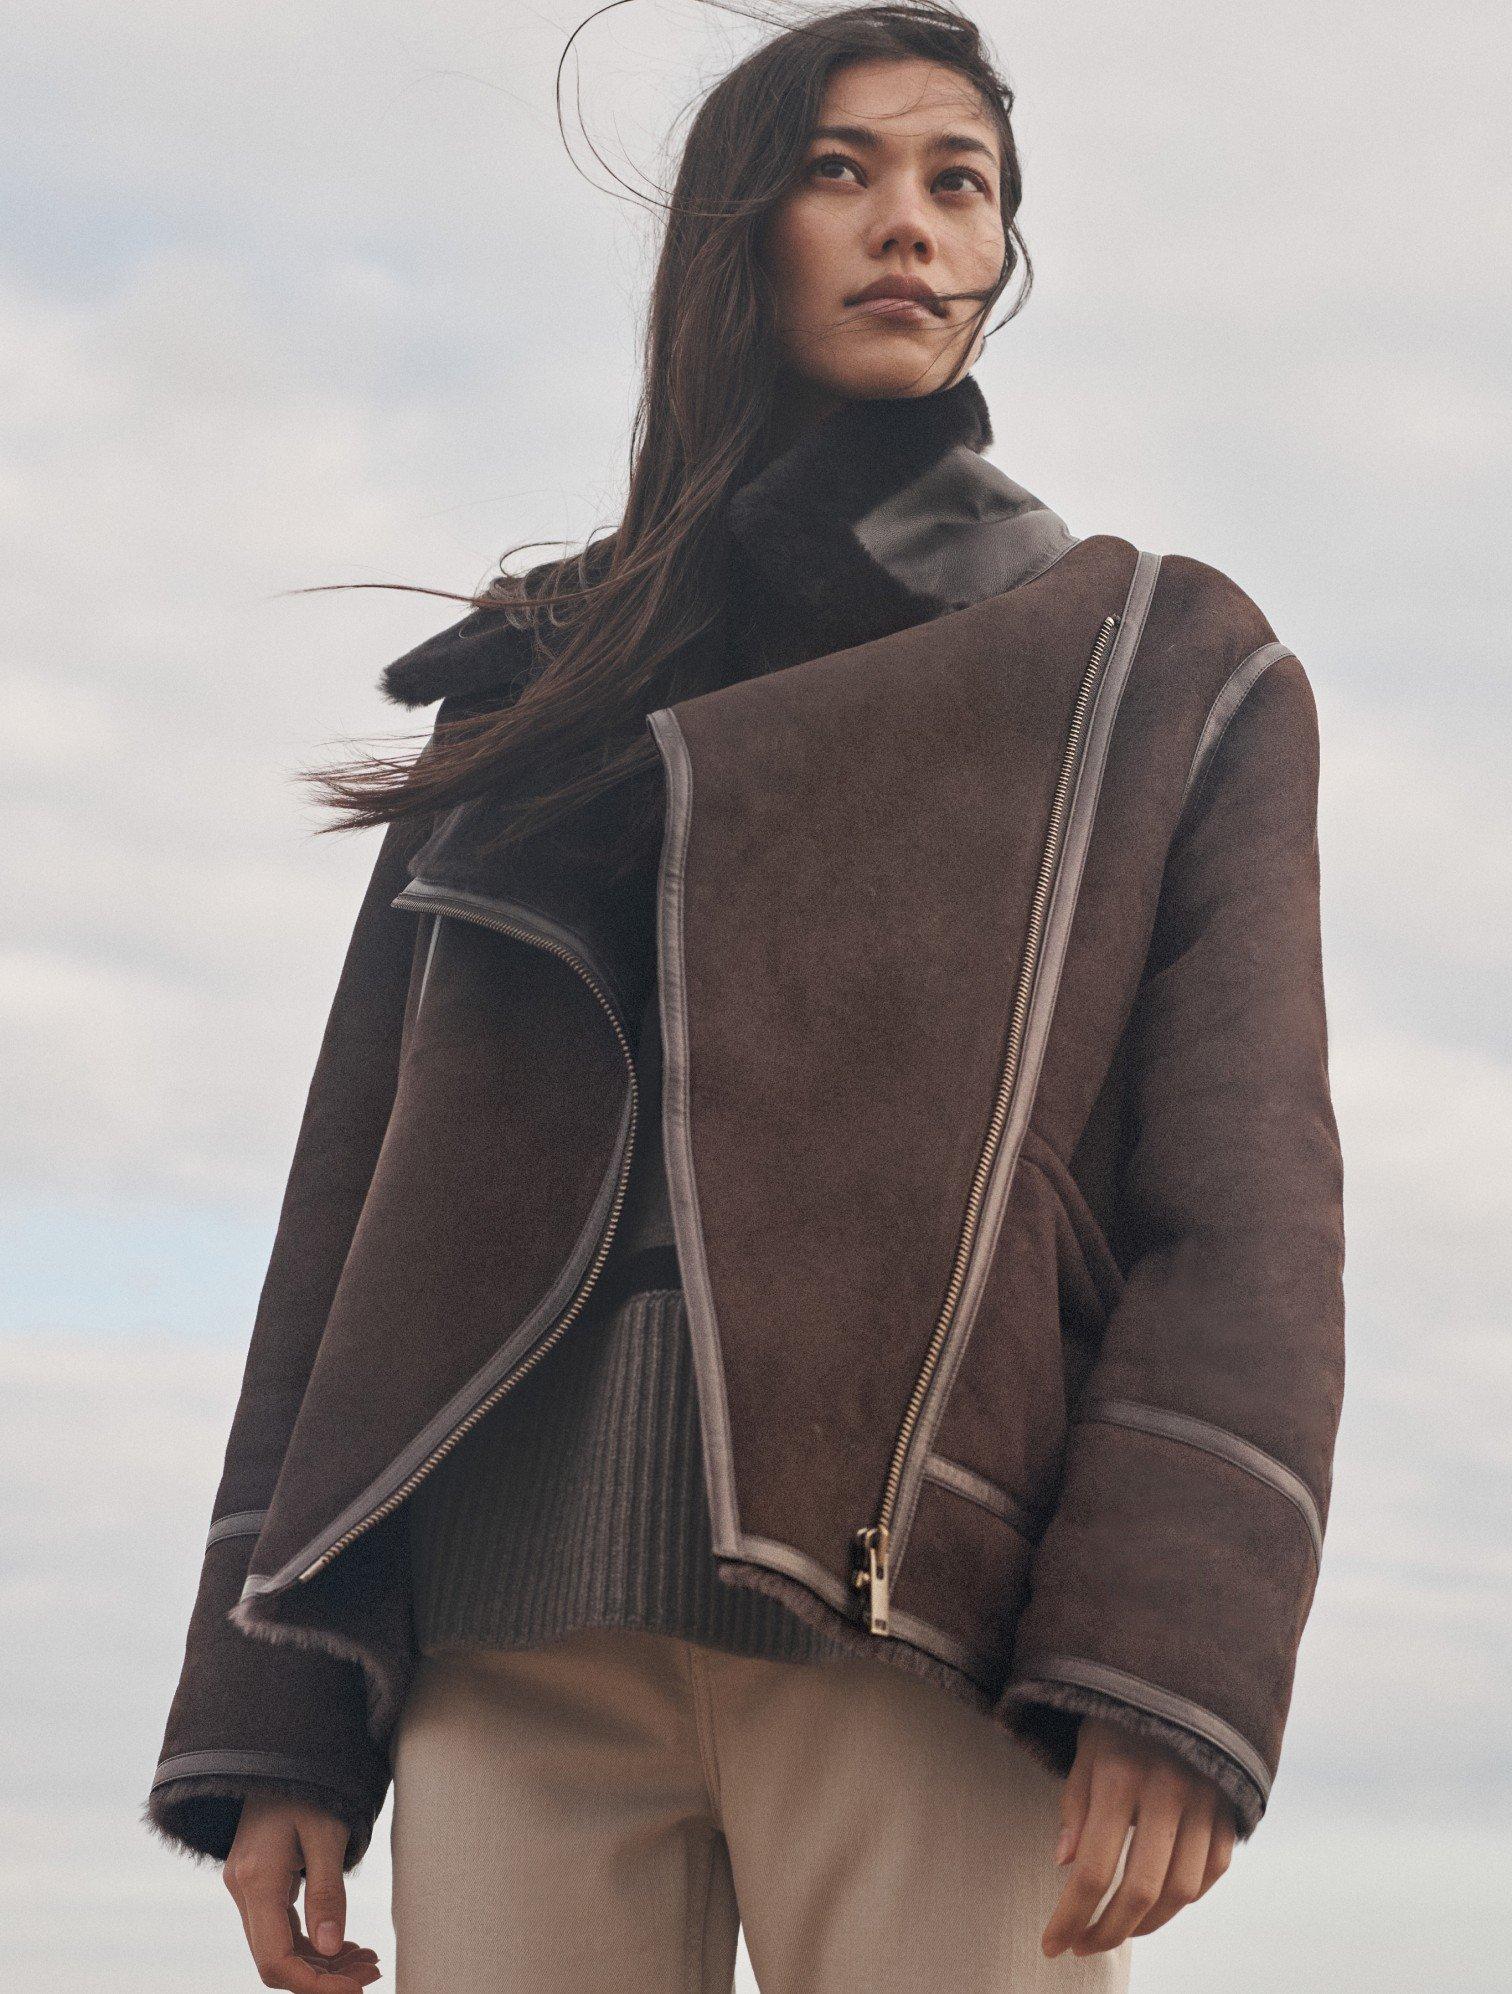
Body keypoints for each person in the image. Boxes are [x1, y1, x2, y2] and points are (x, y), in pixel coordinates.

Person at [142, 6, 1347, 1990]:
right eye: (839, 169)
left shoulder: (1160, 670)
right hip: (500, 1650)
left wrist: (1172, 1653)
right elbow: (355, 1202)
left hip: (920, 1635)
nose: (909, 223)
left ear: (999, 252)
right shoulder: (535, 683)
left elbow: (1244, 1214)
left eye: (957, 180)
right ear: (734, 233)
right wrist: (273, 1707)